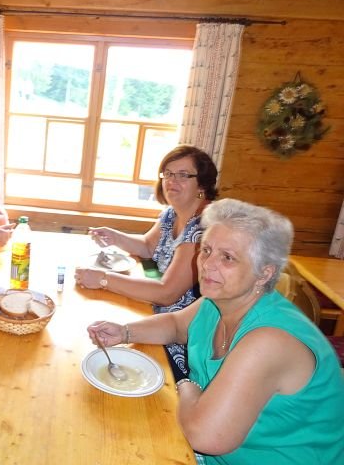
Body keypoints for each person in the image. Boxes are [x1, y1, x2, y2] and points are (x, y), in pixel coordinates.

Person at [87, 199, 344, 464]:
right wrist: (125, 332)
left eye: (227, 257)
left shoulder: (269, 340)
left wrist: (185, 384)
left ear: (264, 274)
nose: (207, 264)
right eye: (207, 250)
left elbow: (205, 436)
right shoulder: (219, 301)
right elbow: (175, 325)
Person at [75, 145, 218, 378]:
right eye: (168, 173)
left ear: (202, 184)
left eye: (183, 175)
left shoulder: (203, 228)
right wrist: (114, 236)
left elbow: (166, 293)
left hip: (181, 336)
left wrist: (103, 279)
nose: (172, 180)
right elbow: (148, 246)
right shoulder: (173, 213)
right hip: (155, 314)